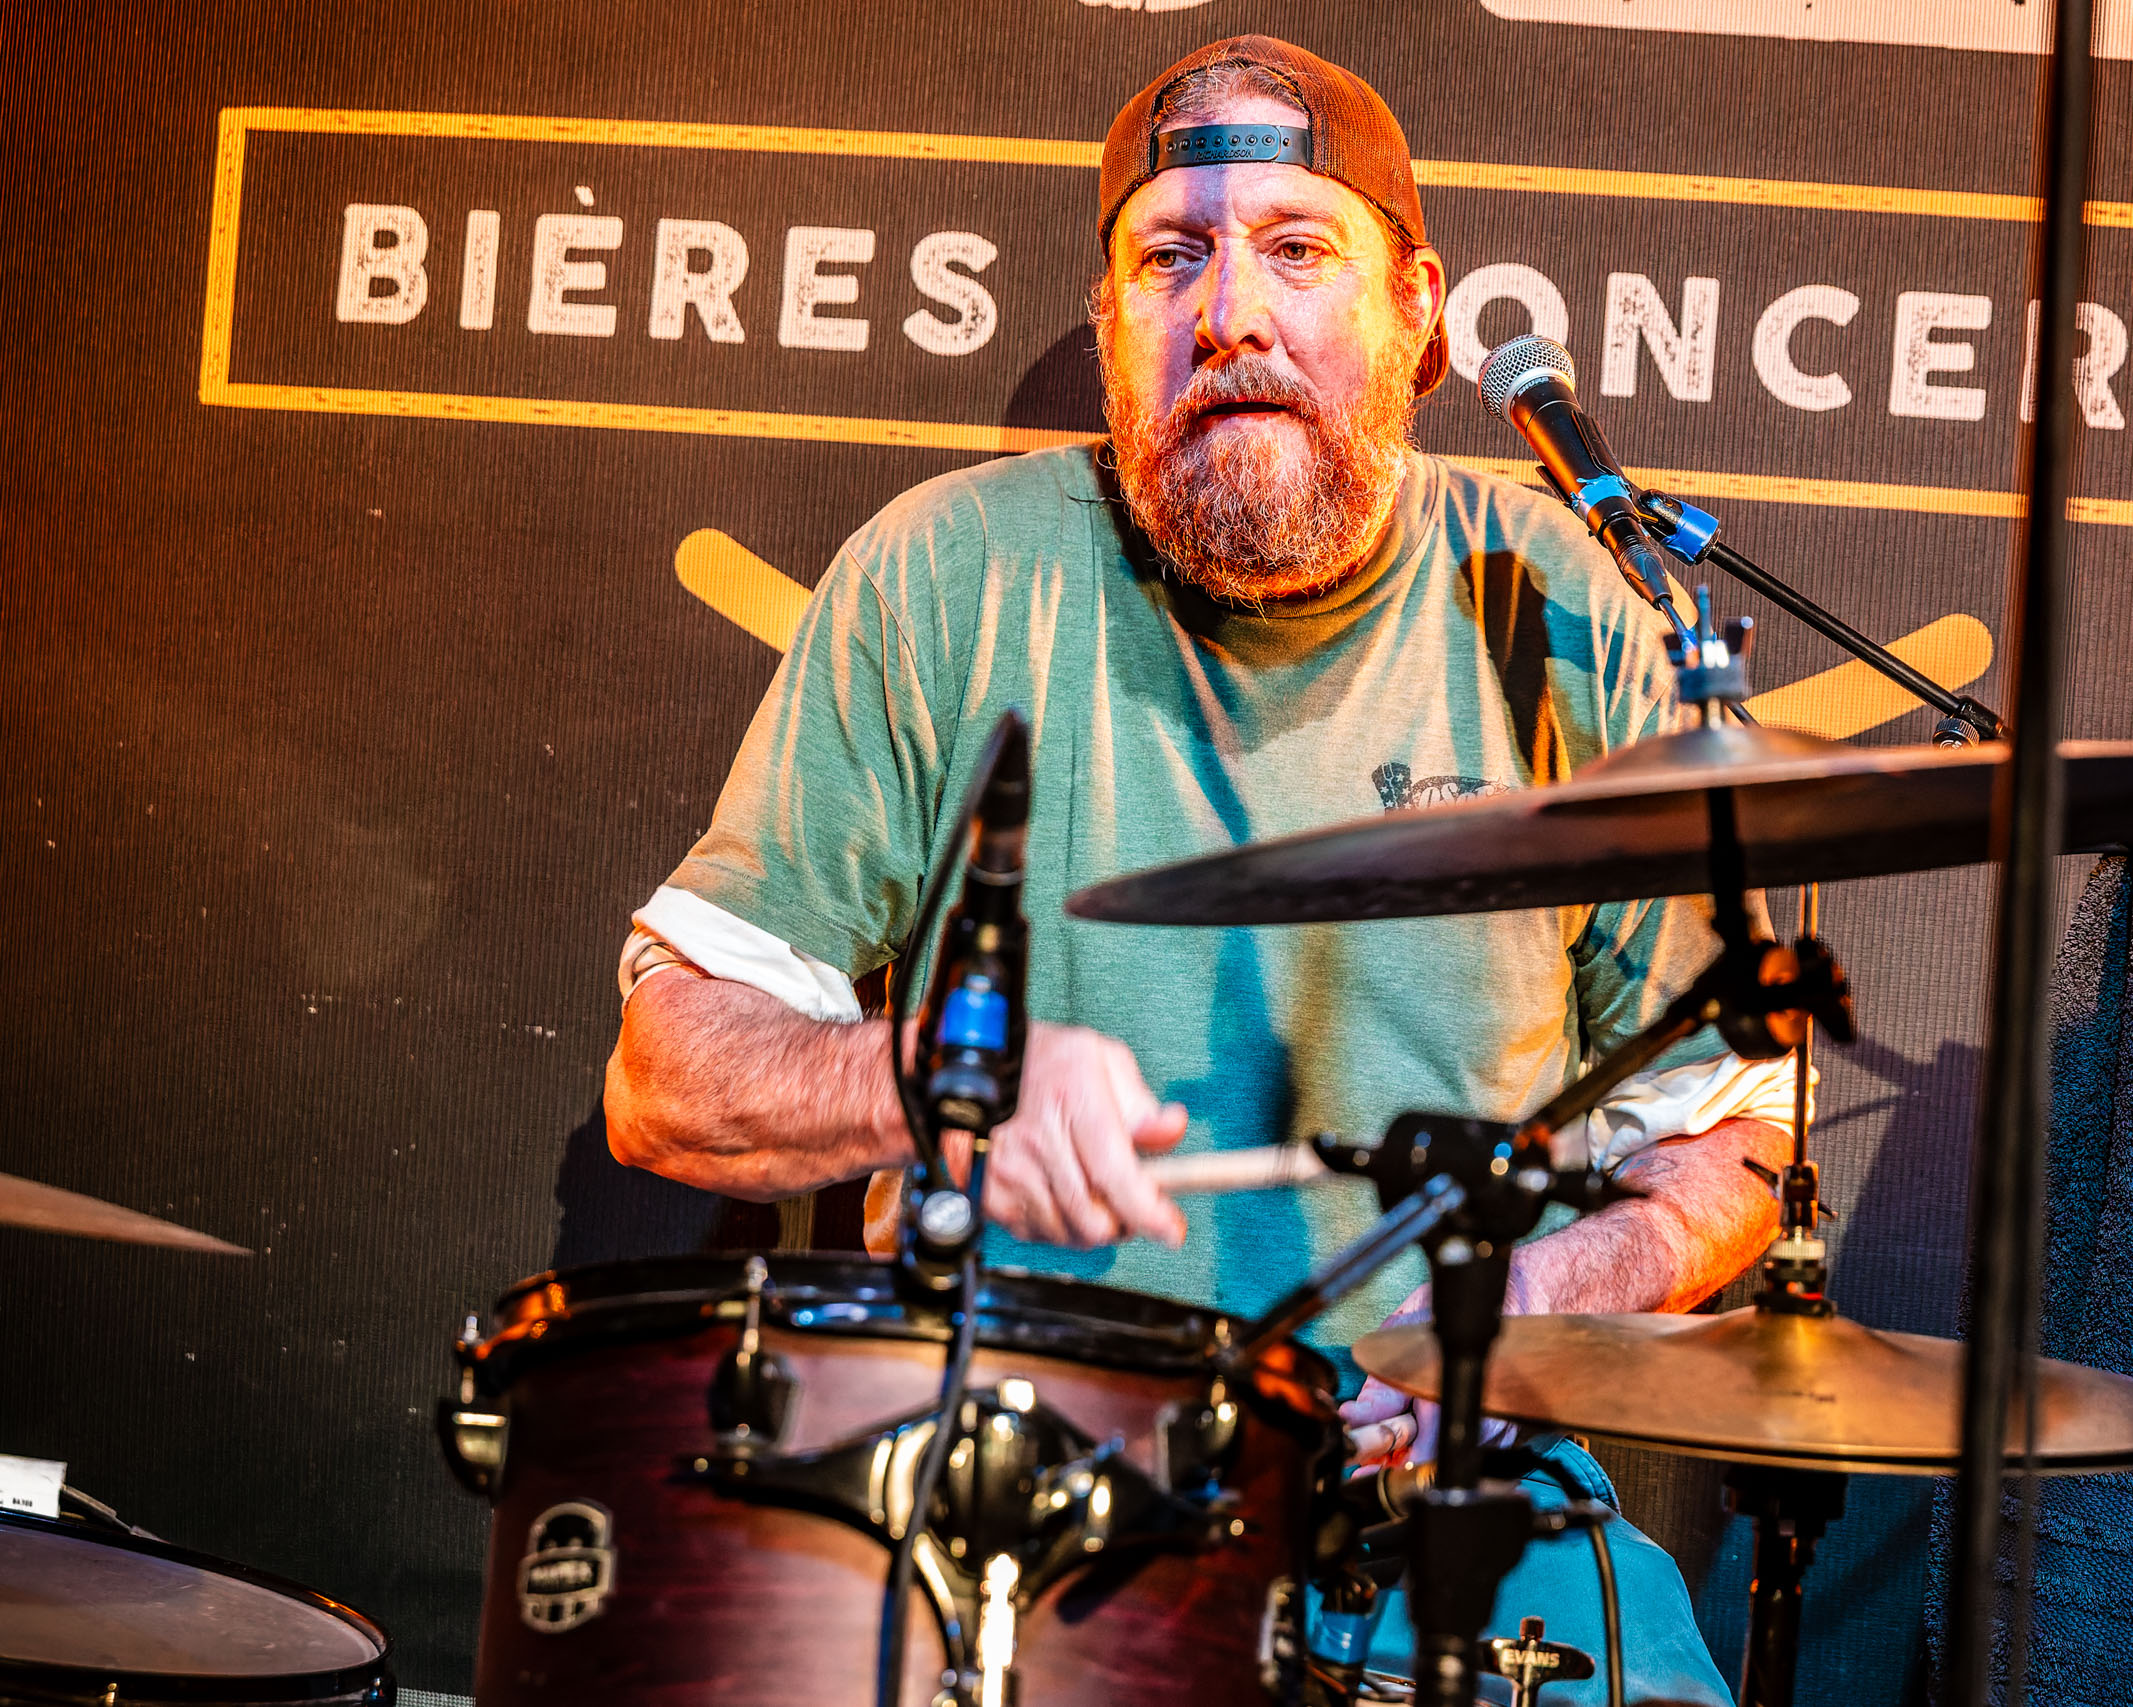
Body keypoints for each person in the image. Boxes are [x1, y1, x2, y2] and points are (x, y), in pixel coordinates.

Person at [603, 35, 1808, 1705]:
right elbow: (664, 1081)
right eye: (1171, 257)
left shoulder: (1565, 614)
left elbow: (1735, 1144)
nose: (1231, 312)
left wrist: (1514, 1311)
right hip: (1019, 1482)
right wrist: (942, 1083)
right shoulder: (943, 577)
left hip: (1440, 1494)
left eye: (1299, 249)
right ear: (1111, 324)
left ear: (1419, 312)